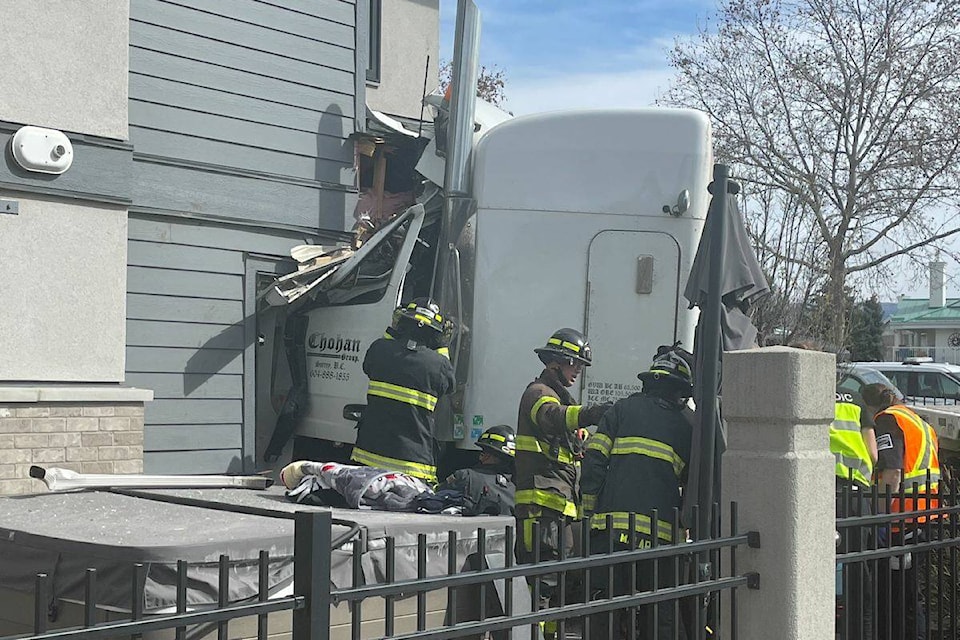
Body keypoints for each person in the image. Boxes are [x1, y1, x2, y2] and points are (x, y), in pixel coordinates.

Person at [579, 345, 695, 640]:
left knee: (605, 608)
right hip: (660, 539)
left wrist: (589, 512)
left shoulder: (620, 410)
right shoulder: (689, 425)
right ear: (679, 390)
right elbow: (696, 482)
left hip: (610, 533)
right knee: (660, 613)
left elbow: (593, 462)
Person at [515, 328, 611, 638]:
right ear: (557, 361)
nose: (578, 372)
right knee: (540, 582)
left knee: (558, 581)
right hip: (539, 506)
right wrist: (589, 414)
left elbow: (571, 441)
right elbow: (551, 417)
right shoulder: (539, 393)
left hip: (559, 510)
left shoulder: (560, 397)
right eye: (575, 365)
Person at [862, 382, 941, 640]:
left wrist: (879, 517)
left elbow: (892, 473)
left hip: (901, 519)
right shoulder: (917, 420)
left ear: (871, 406)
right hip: (924, 513)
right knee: (909, 591)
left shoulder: (886, 420)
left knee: (899, 594)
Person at [350, 297, 456, 485]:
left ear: (402, 323)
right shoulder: (439, 364)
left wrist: (392, 331)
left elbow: (369, 365)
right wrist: (443, 346)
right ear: (435, 334)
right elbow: (449, 385)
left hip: (368, 456)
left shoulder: (379, 349)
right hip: (414, 465)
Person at [438, 424, 516, 516]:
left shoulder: (465, 476)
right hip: (506, 530)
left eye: (482, 453)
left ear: (487, 455)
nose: (480, 457)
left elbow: (436, 496)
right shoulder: (516, 487)